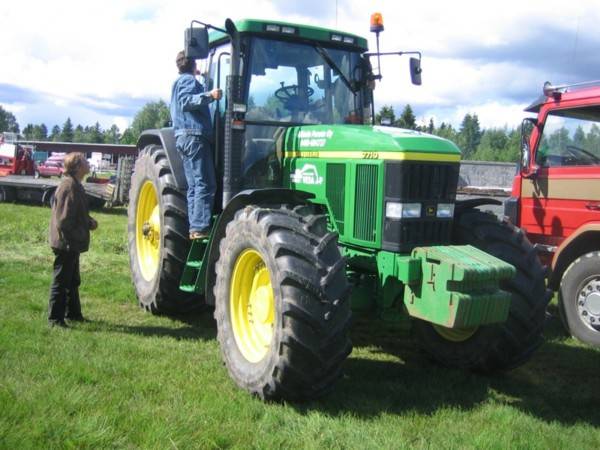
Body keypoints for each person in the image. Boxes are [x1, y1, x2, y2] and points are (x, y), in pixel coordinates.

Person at [170, 50, 222, 240]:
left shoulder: (179, 82)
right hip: (194, 137)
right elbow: (187, 101)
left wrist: (204, 82)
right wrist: (211, 95)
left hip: (184, 137)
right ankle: (200, 226)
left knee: (194, 185)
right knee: (205, 183)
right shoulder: (187, 81)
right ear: (193, 65)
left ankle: (195, 227)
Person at [48, 153, 98, 327]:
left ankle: (73, 314)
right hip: (66, 243)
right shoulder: (69, 186)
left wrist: (88, 221)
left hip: (71, 242)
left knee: (72, 280)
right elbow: (63, 220)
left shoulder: (76, 185)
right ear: (77, 167)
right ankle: (55, 320)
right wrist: (76, 237)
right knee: (61, 282)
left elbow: (76, 213)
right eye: (85, 161)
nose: (88, 163)